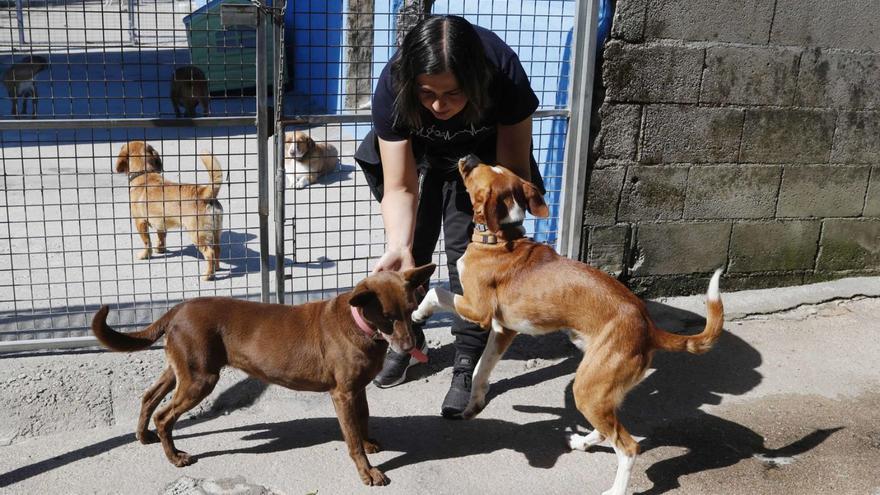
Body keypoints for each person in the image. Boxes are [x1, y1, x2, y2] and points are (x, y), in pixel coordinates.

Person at [354, 14, 545, 419]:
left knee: (469, 258)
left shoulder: (504, 73)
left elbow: (510, 168)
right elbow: (401, 186)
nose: (440, 106)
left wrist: (501, 234)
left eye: (454, 94)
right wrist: (398, 245)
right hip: (417, 159)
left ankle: (467, 360)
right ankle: (409, 337)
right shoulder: (393, 84)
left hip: (481, 164)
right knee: (411, 253)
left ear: (475, 81)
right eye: (427, 95)